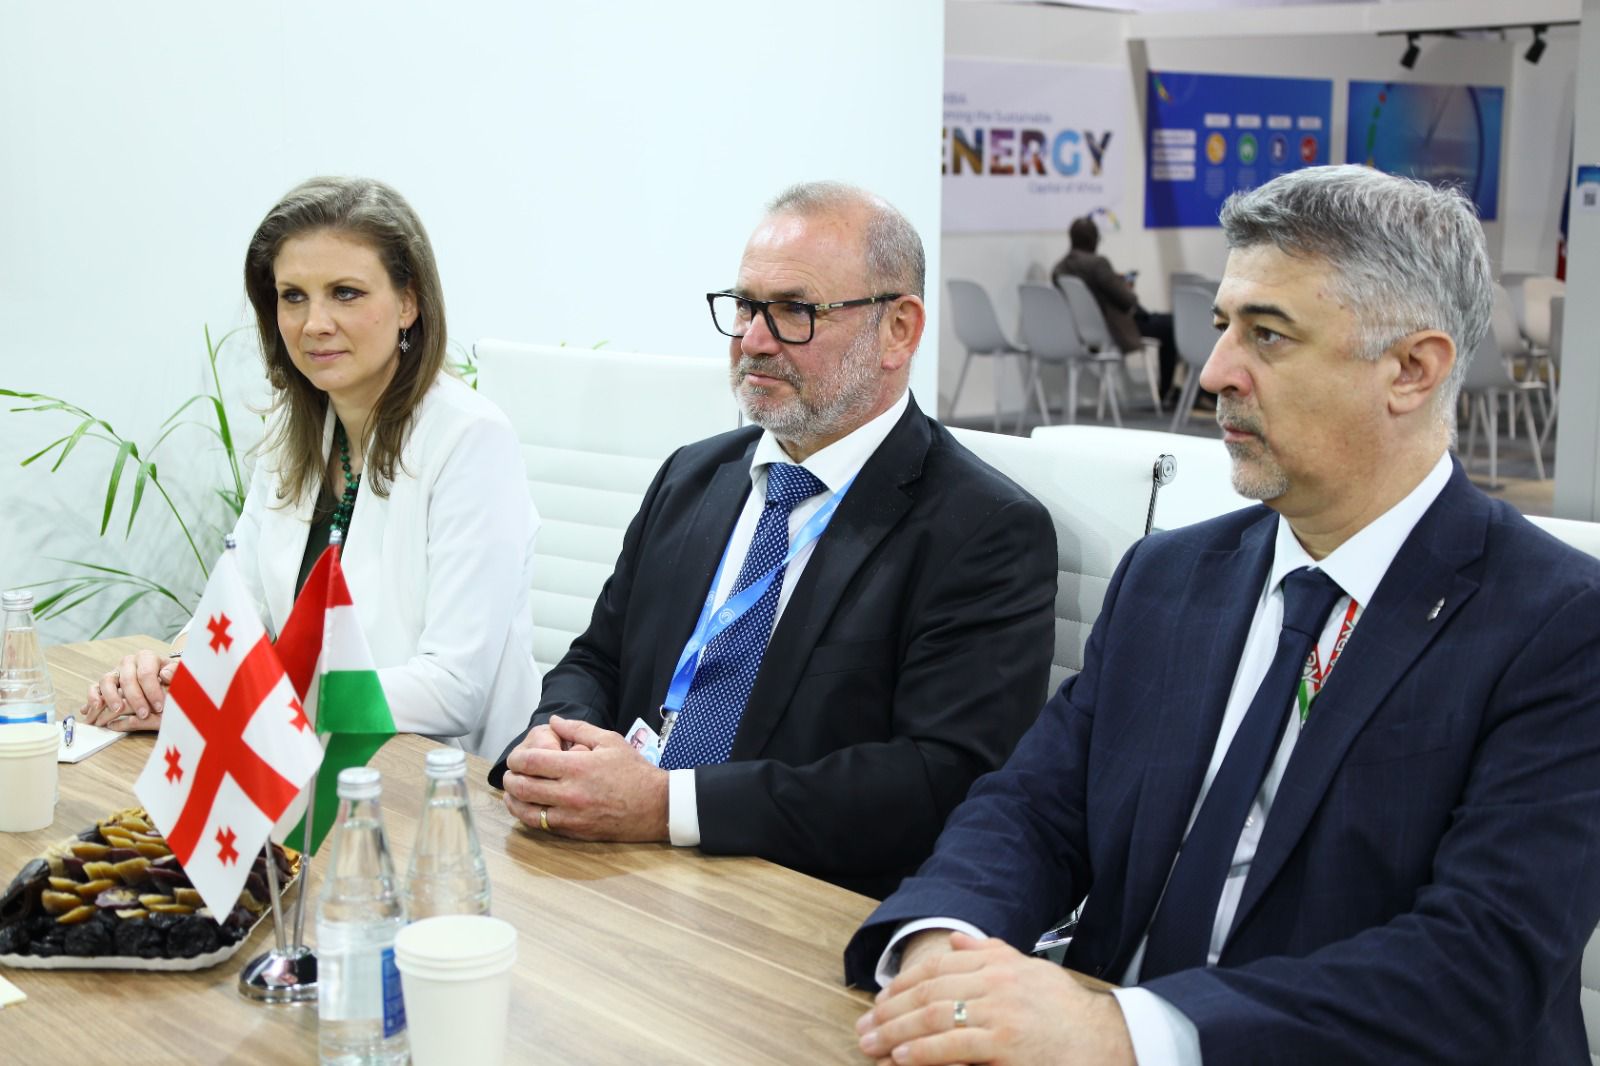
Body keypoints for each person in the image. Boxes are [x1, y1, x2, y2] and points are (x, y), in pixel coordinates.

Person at [848, 165, 1600, 1065]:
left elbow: (1479, 968)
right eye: (1222, 327)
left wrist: (1126, 1034)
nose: (1214, 374)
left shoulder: (1558, 626)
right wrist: (945, 939)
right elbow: (1035, 808)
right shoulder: (1171, 576)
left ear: (1411, 370)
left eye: (1268, 336)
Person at [489, 181, 1056, 898]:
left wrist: (669, 806)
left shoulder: (983, 530)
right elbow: (599, 658)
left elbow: (939, 779)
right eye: (745, 306)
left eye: (794, 311)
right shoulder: (693, 477)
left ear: (899, 330)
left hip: (791, 898)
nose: (753, 341)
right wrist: (555, 742)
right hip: (615, 869)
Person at [81, 176, 540, 759]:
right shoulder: (294, 430)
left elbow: (453, 691)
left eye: (345, 293)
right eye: (293, 296)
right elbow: (237, 610)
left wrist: (252, 699)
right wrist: (172, 673)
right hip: (303, 757)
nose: (313, 322)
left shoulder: (471, 439)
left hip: (434, 778)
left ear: (409, 302)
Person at [1052, 215, 1179, 399]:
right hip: (1115, 327)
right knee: (1172, 326)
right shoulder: (1098, 264)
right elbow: (1127, 300)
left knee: (1163, 321)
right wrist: (1125, 286)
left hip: (1083, 331)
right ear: (1094, 240)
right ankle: (1166, 392)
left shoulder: (1059, 269)